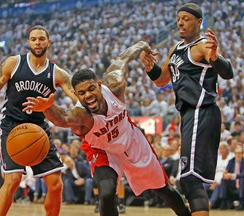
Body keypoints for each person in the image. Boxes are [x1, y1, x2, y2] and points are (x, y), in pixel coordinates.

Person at [23, 41, 191, 216]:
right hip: (102, 149)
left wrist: (140, 45)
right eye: (81, 93)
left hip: (131, 141)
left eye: (91, 89)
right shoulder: (81, 114)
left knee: (163, 189)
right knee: (107, 191)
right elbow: (63, 118)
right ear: (77, 95)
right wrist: (46, 107)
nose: (88, 96)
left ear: (99, 84)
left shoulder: (115, 86)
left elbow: (122, 59)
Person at [140, 3, 234, 216]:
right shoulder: (176, 48)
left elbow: (227, 72)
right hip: (189, 115)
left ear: (199, 22)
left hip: (202, 111)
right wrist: (149, 67)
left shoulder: (202, 46)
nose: (180, 22)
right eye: (179, 18)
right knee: (189, 180)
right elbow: (161, 79)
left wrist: (215, 56)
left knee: (189, 179)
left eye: (186, 18)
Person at [0, 25, 77, 216]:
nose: (37, 42)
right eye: (33, 39)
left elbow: (77, 99)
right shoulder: (13, 63)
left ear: (48, 42)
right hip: (12, 126)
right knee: (13, 179)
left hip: (38, 128)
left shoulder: (58, 73)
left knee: (56, 184)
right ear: (28, 42)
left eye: (41, 38)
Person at [219, 146, 244, 210]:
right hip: (232, 182)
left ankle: (241, 202)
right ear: (234, 154)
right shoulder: (231, 161)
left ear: (242, 154)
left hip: (241, 181)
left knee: (242, 179)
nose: (238, 155)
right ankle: (223, 202)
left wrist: (233, 176)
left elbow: (243, 174)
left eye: (239, 153)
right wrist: (225, 174)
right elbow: (227, 171)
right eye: (236, 153)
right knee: (223, 180)